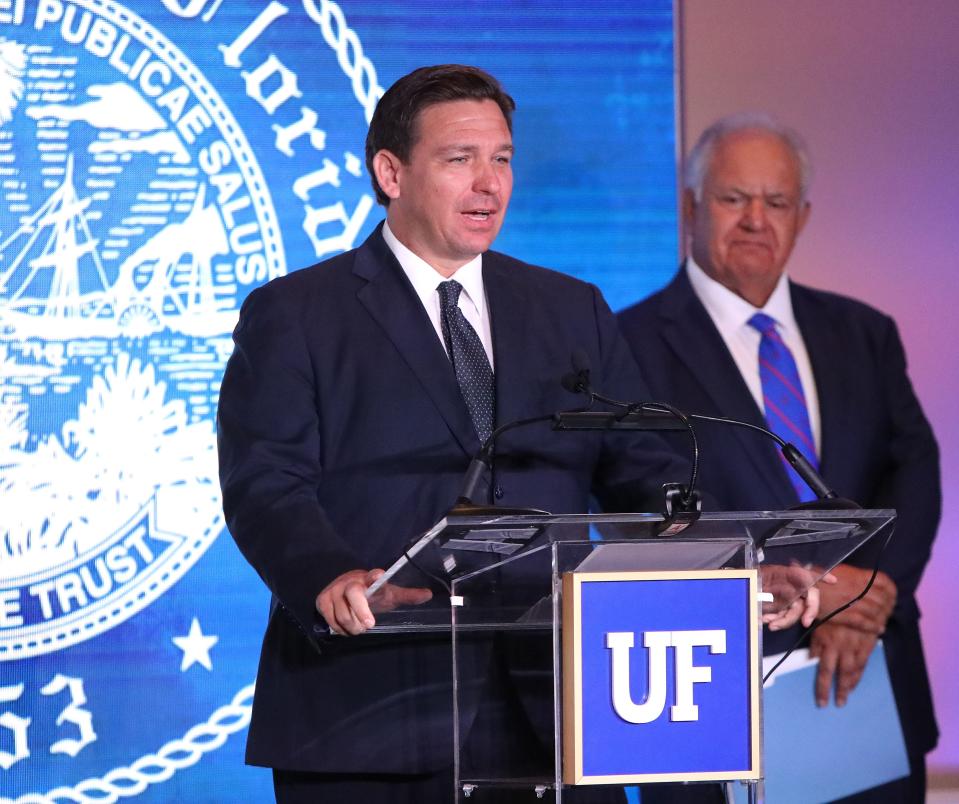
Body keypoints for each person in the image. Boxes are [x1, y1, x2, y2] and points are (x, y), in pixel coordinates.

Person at [218, 64, 704, 804]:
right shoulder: (297, 314)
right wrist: (329, 575)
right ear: (390, 171)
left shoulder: (569, 309)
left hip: (557, 709)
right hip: (374, 705)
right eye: (459, 160)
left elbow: (641, 467)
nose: (489, 184)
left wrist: (724, 560)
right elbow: (264, 484)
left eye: (502, 159)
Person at [618, 113, 940, 802]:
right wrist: (800, 591)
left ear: (803, 215)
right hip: (713, 699)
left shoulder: (863, 332)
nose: (755, 220)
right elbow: (637, 507)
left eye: (776, 202)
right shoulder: (627, 344)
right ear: (691, 207)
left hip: (866, 685)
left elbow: (915, 470)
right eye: (734, 200)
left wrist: (866, 592)